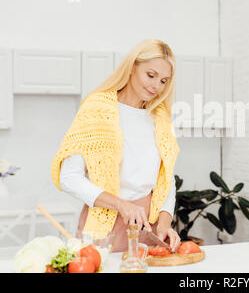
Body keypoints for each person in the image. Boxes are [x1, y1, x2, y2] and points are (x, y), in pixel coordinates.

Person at [51, 39, 181, 252]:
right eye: (151, 75)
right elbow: (69, 178)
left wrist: (165, 224)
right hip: (104, 225)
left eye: (164, 81)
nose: (156, 86)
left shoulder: (161, 118)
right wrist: (121, 205)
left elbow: (166, 180)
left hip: (148, 227)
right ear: (132, 68)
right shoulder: (97, 109)